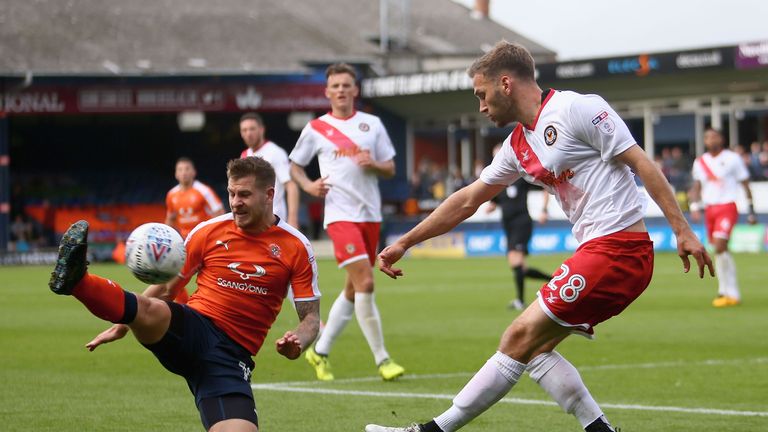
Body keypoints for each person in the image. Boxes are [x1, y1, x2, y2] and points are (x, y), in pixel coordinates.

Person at [366, 41, 713, 432]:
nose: (480, 106)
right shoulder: (517, 145)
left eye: (482, 95)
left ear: (506, 83)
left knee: (518, 335)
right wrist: (404, 242)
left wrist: (682, 230)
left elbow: (641, 163)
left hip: (618, 250)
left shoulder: (576, 109)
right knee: (535, 349)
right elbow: (467, 201)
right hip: (599, 253)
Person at [48, 157, 321, 432]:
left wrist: (298, 342)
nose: (235, 202)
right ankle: (77, 282)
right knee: (152, 308)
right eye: (231, 193)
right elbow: (167, 289)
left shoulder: (296, 246)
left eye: (245, 195)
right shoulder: (208, 232)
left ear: (269, 194)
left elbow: (311, 319)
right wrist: (123, 325)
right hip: (194, 327)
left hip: (230, 357)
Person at [289, 62, 404, 382]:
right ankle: (383, 360)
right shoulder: (316, 128)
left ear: (355, 90)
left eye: (345, 85)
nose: (340, 90)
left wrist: (375, 164)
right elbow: (295, 166)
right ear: (327, 92)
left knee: (354, 290)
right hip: (340, 216)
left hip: (370, 215)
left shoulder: (372, 124)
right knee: (366, 283)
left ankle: (319, 351)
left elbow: (391, 168)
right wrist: (309, 185)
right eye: (335, 86)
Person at [688, 127, 756, 307]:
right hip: (710, 209)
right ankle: (725, 291)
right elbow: (696, 187)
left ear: (722, 139)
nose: (711, 140)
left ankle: (731, 292)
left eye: (715, 136)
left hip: (727, 206)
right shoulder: (700, 162)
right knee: (720, 251)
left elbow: (745, 183)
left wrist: (751, 210)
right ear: (704, 141)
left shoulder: (732, 158)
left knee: (719, 246)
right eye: (708, 137)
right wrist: (694, 206)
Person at [485, 143, 551, 310]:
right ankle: (553, 280)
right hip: (507, 225)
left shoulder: (521, 176)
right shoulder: (498, 181)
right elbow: (495, 203)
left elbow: (545, 186)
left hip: (521, 222)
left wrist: (544, 210)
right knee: (519, 267)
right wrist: (490, 207)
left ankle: (520, 301)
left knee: (517, 262)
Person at [165, 157, 225, 303]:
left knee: (213, 277)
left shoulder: (204, 191)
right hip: (184, 243)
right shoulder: (172, 195)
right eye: (180, 169)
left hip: (205, 241)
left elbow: (220, 213)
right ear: (176, 174)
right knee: (172, 276)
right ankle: (184, 307)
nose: (184, 172)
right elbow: (170, 219)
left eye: (187, 169)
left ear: (194, 172)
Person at [239, 112, 300, 228]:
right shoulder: (244, 155)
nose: (248, 133)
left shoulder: (275, 152)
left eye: (252, 129)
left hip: (273, 219)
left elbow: (291, 186)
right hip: (252, 219)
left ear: (261, 130)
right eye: (244, 130)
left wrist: (292, 219)